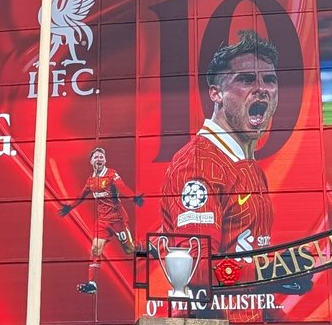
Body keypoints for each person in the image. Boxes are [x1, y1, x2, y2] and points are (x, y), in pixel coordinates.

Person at [161, 30, 280, 253]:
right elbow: (198, 267)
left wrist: (282, 266)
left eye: (270, 80)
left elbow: (246, 252)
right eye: (246, 79)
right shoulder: (198, 163)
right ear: (216, 94)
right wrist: (272, 273)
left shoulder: (248, 164)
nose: (261, 89)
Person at [59, 146, 142, 292]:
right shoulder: (91, 180)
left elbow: (122, 187)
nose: (99, 159)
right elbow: (81, 196)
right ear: (91, 161)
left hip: (117, 219)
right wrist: (69, 207)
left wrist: (133, 197)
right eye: (96, 157)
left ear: (105, 160)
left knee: (130, 249)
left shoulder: (111, 174)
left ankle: (150, 250)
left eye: (101, 157)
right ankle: (92, 284)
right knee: (95, 248)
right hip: (103, 222)